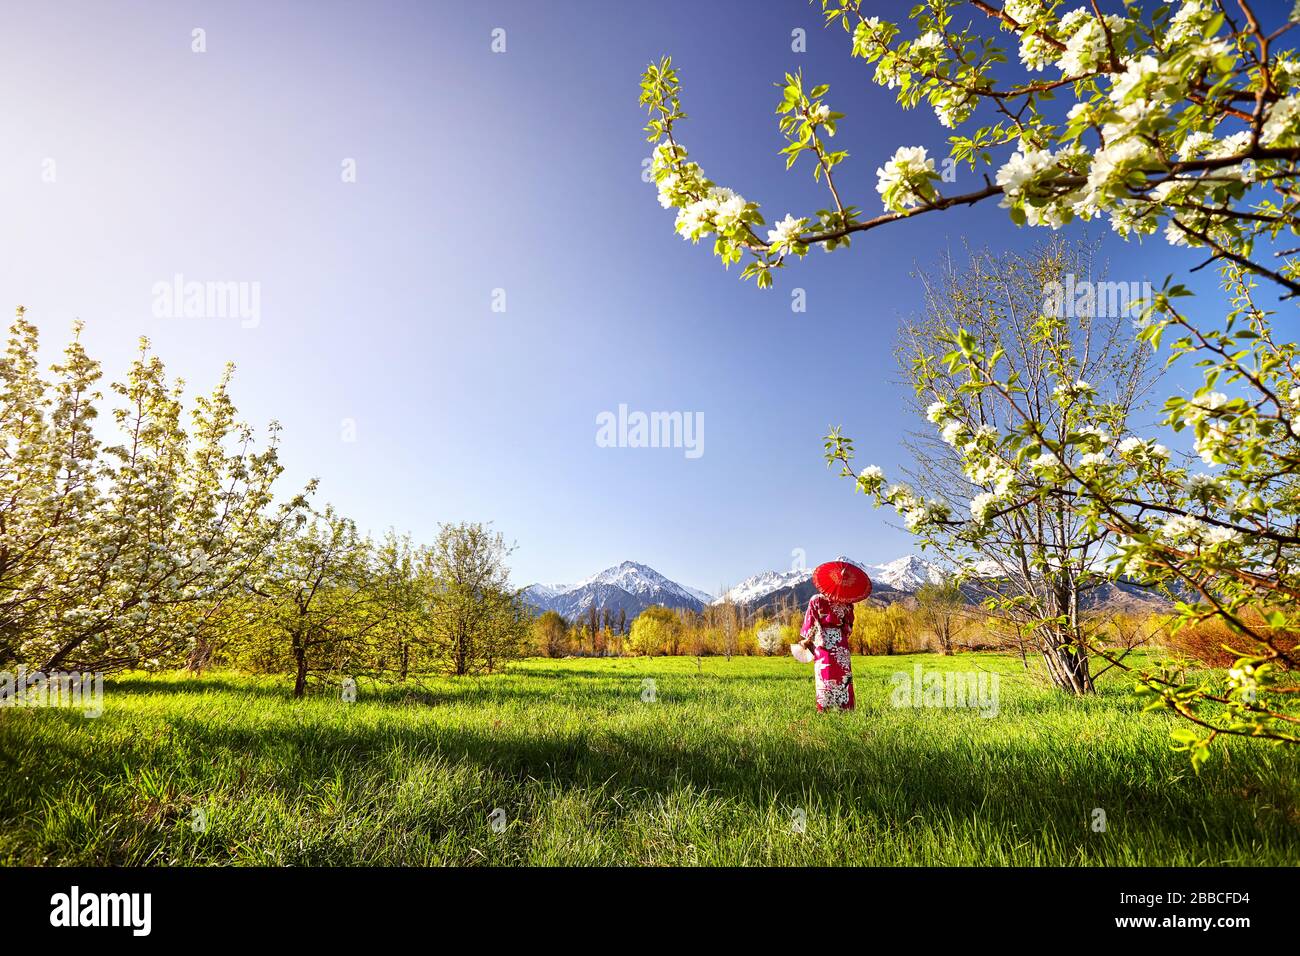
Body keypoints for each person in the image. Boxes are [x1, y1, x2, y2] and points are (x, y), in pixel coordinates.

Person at [799, 591, 855, 711]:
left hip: (823, 641)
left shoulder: (816, 600)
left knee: (824, 674)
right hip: (840, 642)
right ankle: (845, 707)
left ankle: (825, 707)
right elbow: (849, 627)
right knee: (842, 675)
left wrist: (807, 640)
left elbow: (811, 623)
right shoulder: (848, 603)